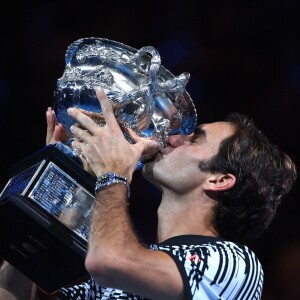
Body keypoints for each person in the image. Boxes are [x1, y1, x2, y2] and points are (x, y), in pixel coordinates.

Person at [0, 87, 297, 300]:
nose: (172, 138)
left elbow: (109, 261)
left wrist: (113, 172)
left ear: (219, 180)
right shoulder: (121, 268)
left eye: (193, 139)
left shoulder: (235, 265)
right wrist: (61, 179)